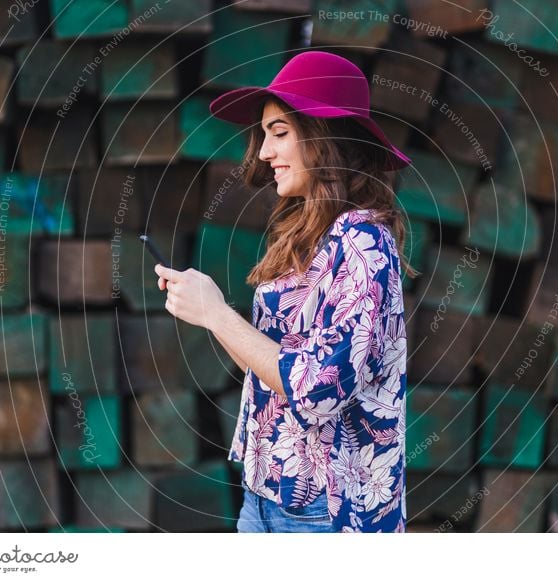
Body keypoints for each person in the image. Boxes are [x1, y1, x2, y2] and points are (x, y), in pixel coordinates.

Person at [154, 51, 418, 532]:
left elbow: (318, 391)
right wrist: (205, 305)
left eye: (279, 133)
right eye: (264, 137)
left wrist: (217, 315)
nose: (263, 153)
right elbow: (281, 363)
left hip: (327, 514)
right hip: (266, 499)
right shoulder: (312, 233)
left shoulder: (361, 242)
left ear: (326, 137)